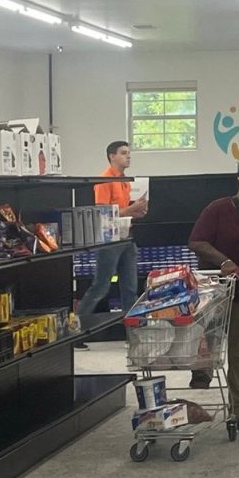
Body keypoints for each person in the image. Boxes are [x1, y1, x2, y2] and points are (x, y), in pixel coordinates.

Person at [186, 156, 239, 431]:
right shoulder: (219, 209)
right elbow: (197, 241)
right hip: (217, 294)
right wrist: (223, 260)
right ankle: (202, 372)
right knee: (206, 343)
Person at [76, 141, 147, 348]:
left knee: (130, 288)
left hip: (126, 237)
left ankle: (132, 335)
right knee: (101, 286)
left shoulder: (125, 181)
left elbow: (123, 211)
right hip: (109, 239)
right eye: (124, 153)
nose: (128, 157)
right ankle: (76, 331)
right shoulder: (103, 180)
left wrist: (137, 211)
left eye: (129, 153)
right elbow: (103, 213)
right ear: (111, 156)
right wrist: (132, 210)